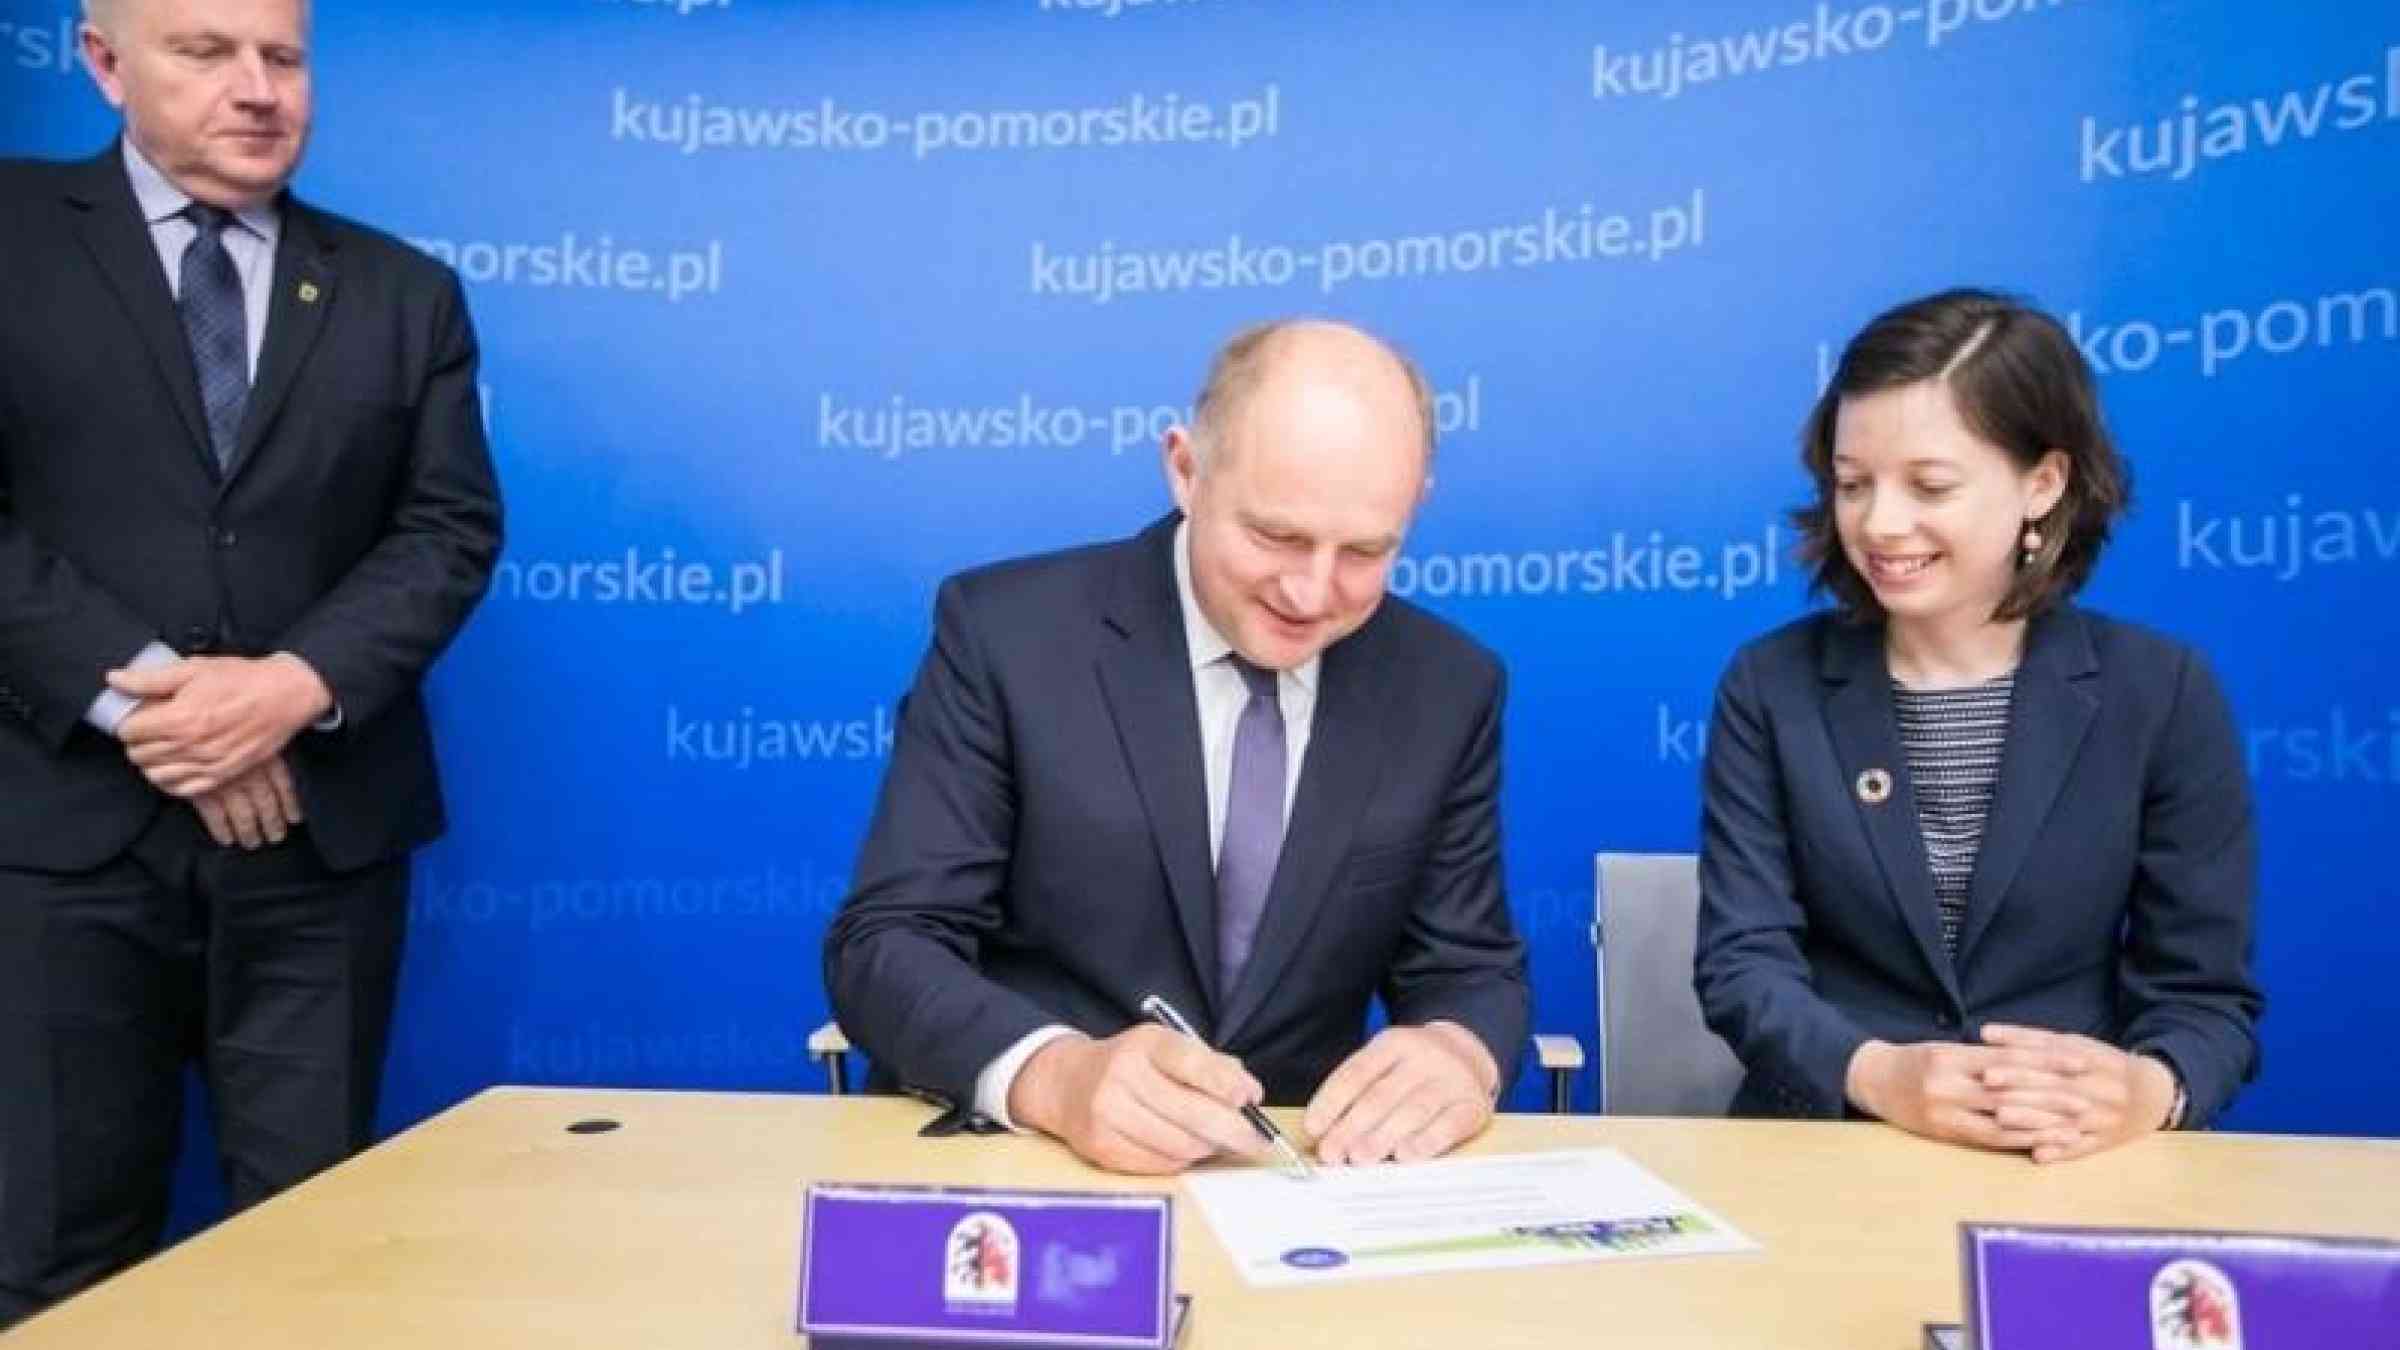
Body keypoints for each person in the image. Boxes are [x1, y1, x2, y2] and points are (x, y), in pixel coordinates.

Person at [0, 0, 502, 1321]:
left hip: (316, 853)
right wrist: (151, 701)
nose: (257, 88)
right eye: (205, 51)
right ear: (105, 64)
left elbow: (447, 528)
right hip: (57, 850)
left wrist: (283, 691)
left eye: (282, 56)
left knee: (314, 1260)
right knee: (52, 1258)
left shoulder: (404, 290)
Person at [825, 320, 1528, 1175]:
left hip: (1292, 1190)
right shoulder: (1006, 636)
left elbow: (1467, 966)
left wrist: (1457, 1052)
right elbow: (886, 943)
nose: (1311, 592)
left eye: (1366, 552)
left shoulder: (1446, 685)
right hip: (1026, 1169)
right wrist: (1057, 1077)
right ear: (1185, 468)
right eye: (1276, 536)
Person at [1694, 288, 2260, 1163]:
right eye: (1852, 484)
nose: (1880, 523)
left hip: (2070, 1162)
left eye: (1930, 485)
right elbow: (1742, 968)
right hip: (1826, 1150)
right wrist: (1879, 1075)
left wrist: (2146, 1091)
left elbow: (2207, 1001)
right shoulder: (1772, 685)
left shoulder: (2162, 692)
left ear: (2043, 483)